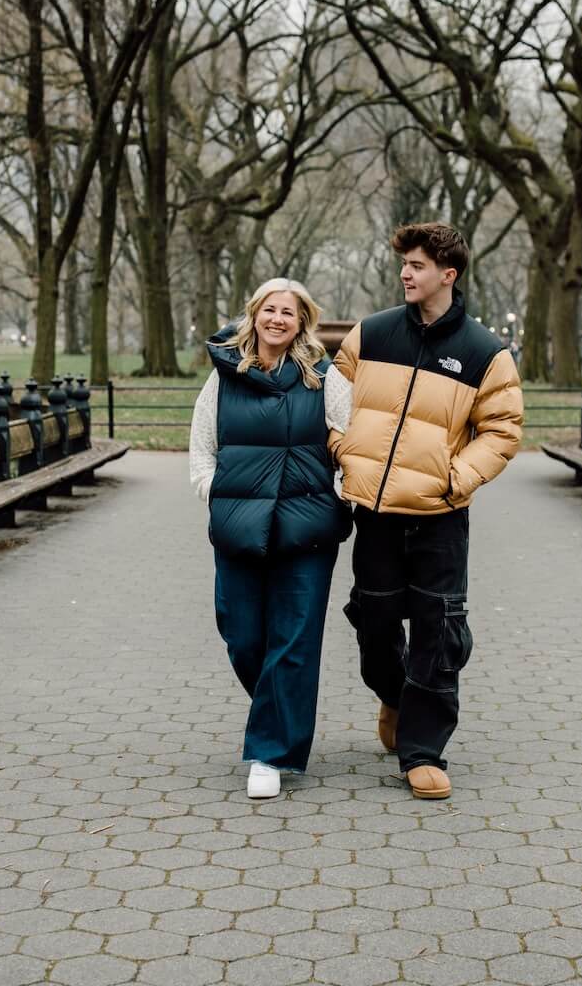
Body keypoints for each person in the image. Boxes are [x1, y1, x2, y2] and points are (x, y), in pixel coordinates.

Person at [332, 222, 524, 801]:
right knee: (374, 625)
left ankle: (422, 751)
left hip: (440, 518)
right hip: (375, 514)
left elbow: (502, 430)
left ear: (448, 274)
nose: (405, 274)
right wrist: (343, 452)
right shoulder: (371, 334)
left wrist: (454, 480)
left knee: (438, 633)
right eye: (404, 264)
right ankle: (394, 696)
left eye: (417, 266)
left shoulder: (485, 353)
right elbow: (331, 402)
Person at [189, 279, 354, 800]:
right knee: (241, 633)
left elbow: (349, 443)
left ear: (302, 321)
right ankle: (279, 713)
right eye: (269, 309)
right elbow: (202, 444)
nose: (278, 319)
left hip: (307, 529)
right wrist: (215, 492)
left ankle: (270, 753)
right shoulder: (225, 376)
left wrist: (337, 497)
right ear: (254, 314)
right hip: (238, 524)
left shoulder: (323, 377)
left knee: (294, 639)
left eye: (289, 311)